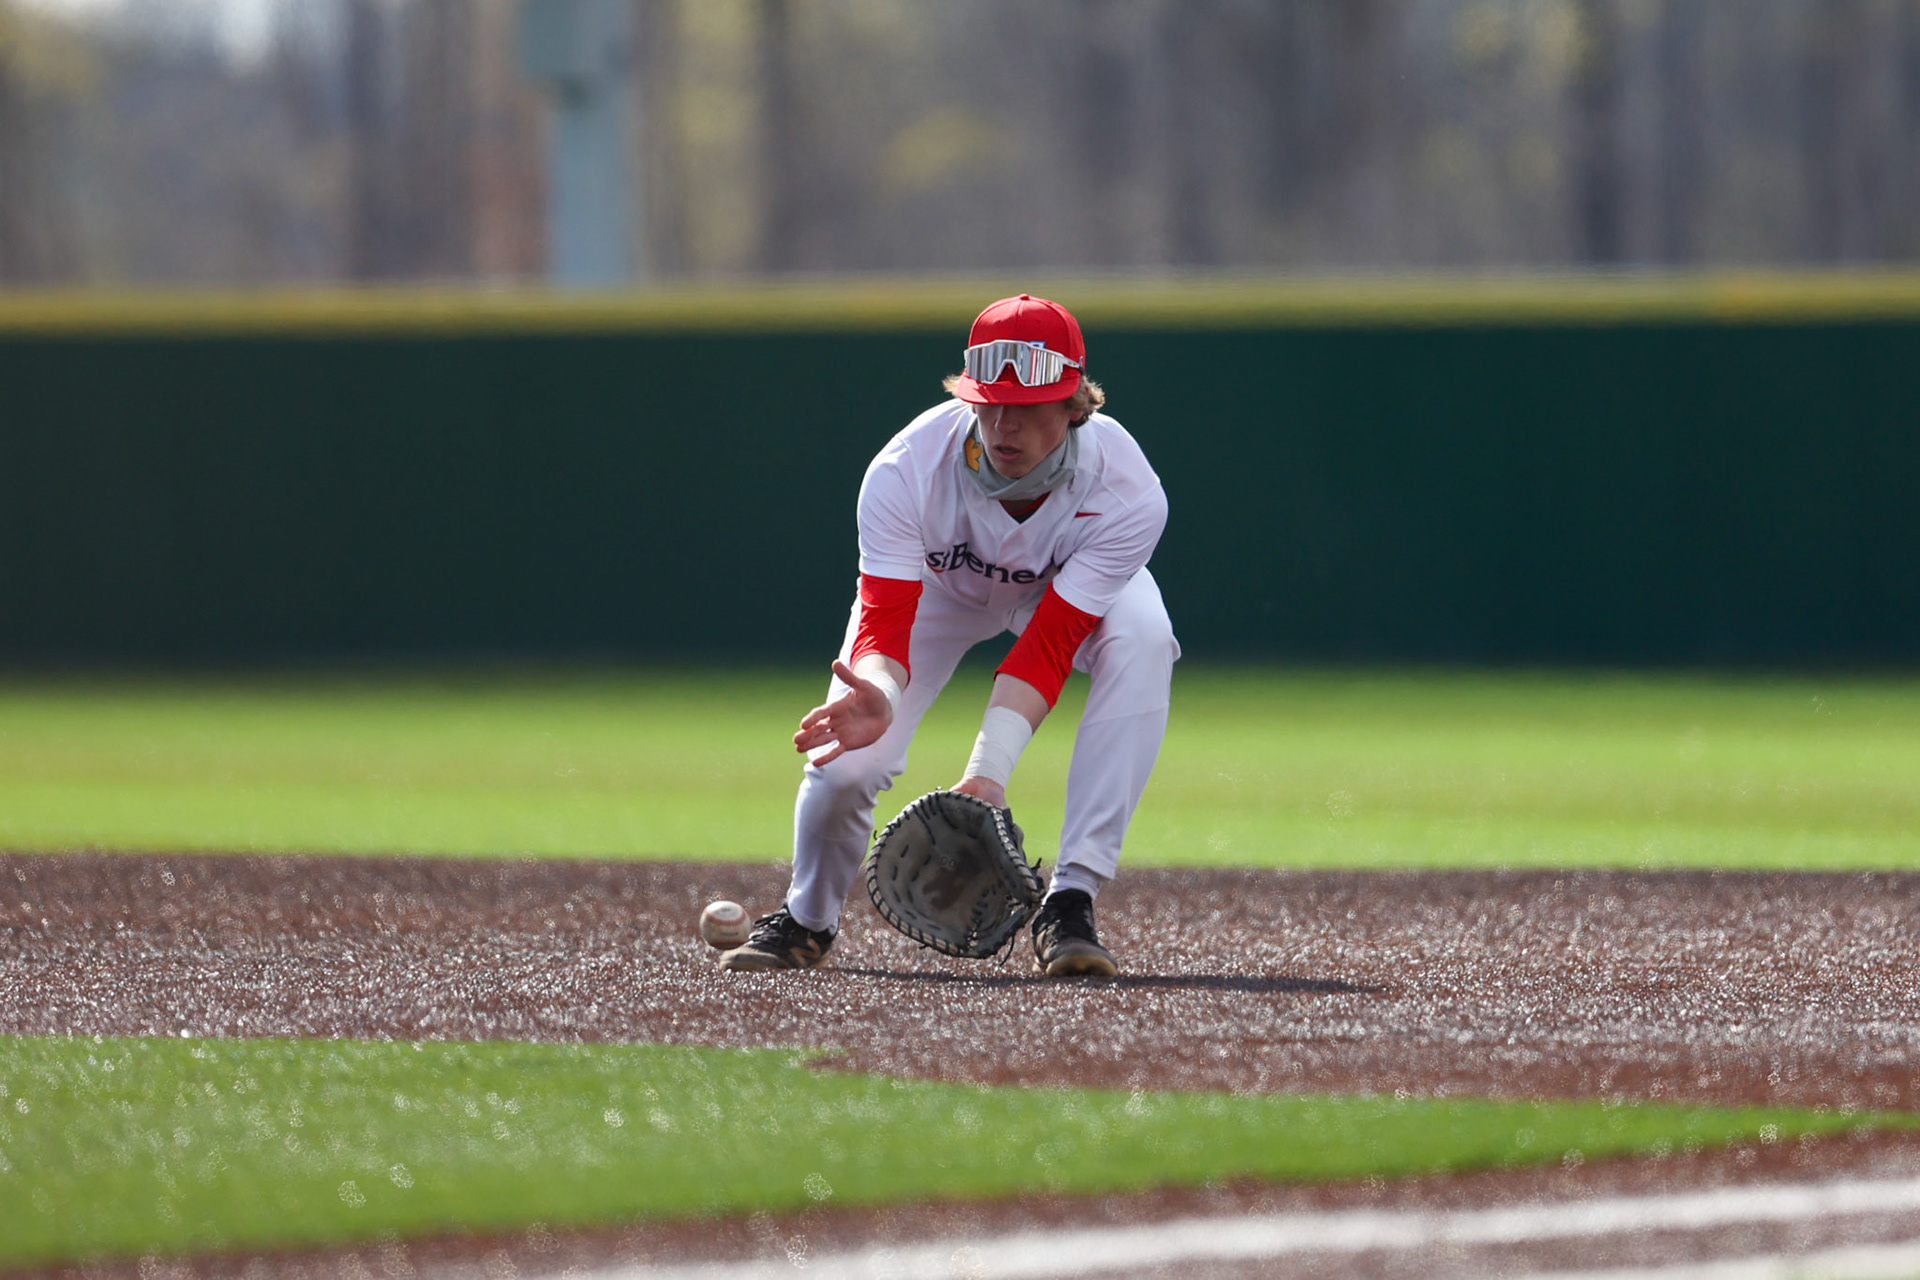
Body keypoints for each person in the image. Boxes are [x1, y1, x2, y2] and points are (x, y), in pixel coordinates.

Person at [720, 294, 1177, 977]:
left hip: (1052, 598)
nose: (1003, 424)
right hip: (938, 593)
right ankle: (807, 918)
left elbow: (1051, 643)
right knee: (848, 762)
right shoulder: (904, 470)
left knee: (1142, 634)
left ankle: (1072, 898)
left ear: (1076, 406)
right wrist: (877, 687)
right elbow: (885, 618)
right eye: (989, 403)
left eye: (1026, 407)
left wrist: (985, 777)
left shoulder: (1128, 490)